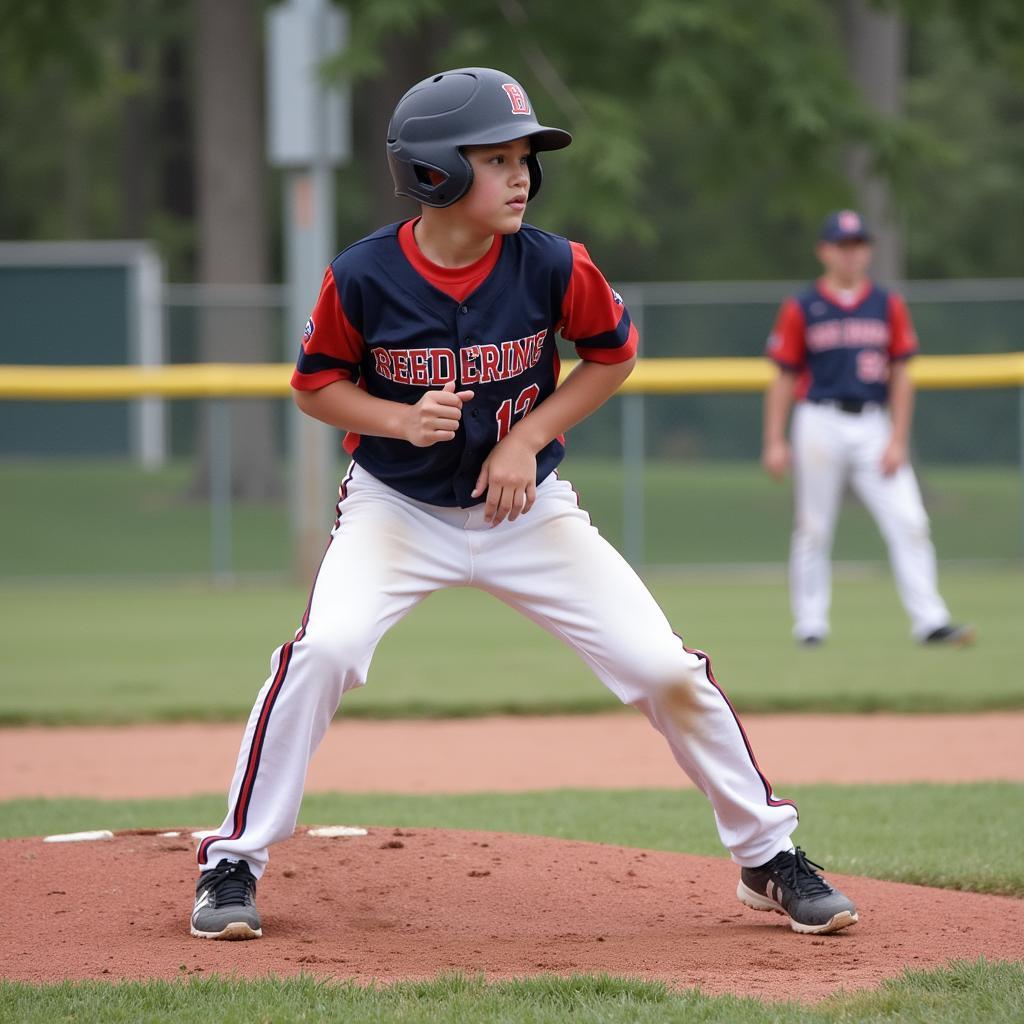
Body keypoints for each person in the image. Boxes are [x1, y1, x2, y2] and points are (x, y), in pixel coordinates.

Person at [190, 67, 857, 942]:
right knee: (325, 651)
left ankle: (768, 856)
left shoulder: (553, 262)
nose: (521, 177)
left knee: (664, 668)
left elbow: (612, 357)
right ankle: (232, 861)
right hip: (399, 512)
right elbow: (315, 387)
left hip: (529, 511)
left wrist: (524, 438)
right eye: (497, 158)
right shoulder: (364, 276)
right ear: (435, 173)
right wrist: (396, 417)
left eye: (525, 160)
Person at [762, 210, 974, 647]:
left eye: (858, 244)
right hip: (818, 419)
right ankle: (811, 625)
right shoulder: (803, 306)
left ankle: (931, 620)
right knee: (813, 526)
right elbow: (783, 376)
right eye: (842, 244)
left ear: (868, 250)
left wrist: (898, 438)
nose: (851, 252)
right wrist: (774, 440)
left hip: (874, 423)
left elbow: (902, 374)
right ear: (825, 251)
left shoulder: (886, 304)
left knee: (910, 519)